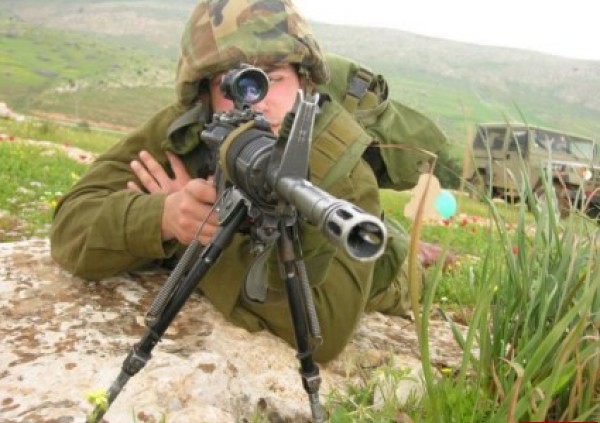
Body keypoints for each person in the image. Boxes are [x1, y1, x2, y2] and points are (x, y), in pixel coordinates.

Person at [50, 0, 448, 363]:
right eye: (235, 84)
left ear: (305, 84)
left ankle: (423, 255)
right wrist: (164, 216)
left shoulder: (341, 169)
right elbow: (70, 227)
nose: (257, 102)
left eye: (274, 79)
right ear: (205, 95)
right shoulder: (188, 132)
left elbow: (323, 330)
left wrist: (199, 238)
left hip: (374, 264)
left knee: (397, 258)